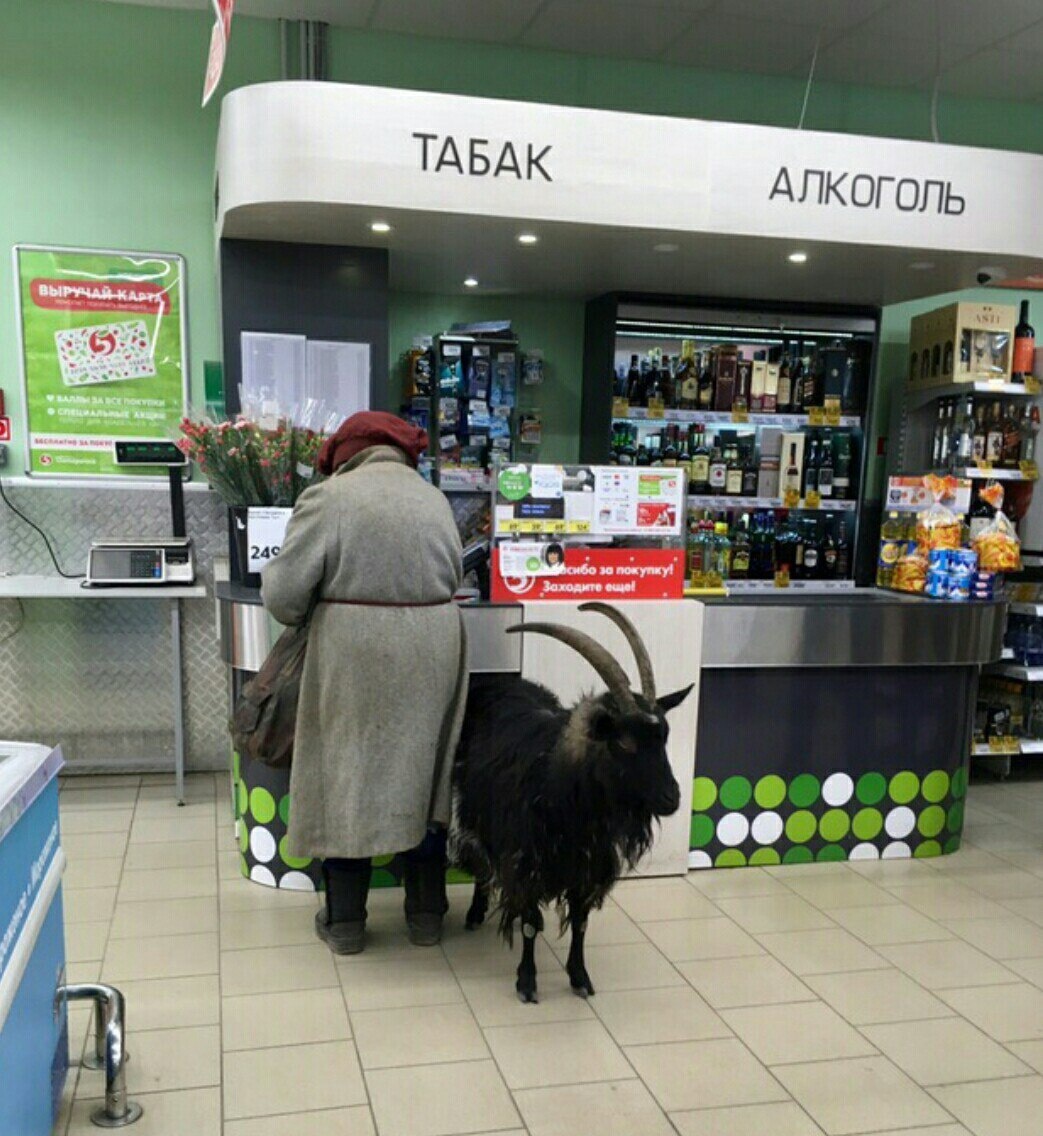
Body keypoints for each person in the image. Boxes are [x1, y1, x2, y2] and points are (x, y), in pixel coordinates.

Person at [262, 411, 467, 955]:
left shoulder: (329, 498)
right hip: (435, 649)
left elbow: (283, 597)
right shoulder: (434, 500)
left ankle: (347, 923)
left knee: (345, 778)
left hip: (354, 654)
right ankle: (427, 916)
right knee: (424, 777)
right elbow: (454, 575)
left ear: (344, 454)